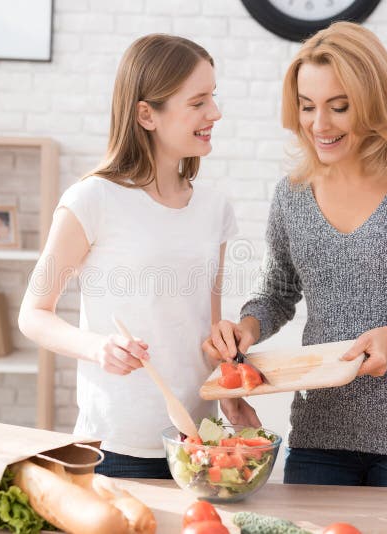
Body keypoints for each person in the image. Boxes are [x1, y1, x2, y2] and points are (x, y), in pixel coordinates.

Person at [202, 22, 387, 489]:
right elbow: (278, 293)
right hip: (320, 438)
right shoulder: (292, 196)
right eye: (307, 107)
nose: (320, 125)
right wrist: (246, 326)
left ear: (374, 103)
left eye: (339, 107)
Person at [19, 34, 241, 479]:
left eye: (213, 98)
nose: (214, 113)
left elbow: (207, 335)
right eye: (198, 102)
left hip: (199, 444)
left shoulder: (215, 208)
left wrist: (234, 391)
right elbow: (33, 314)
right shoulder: (92, 199)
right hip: (116, 447)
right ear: (146, 114)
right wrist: (99, 347)